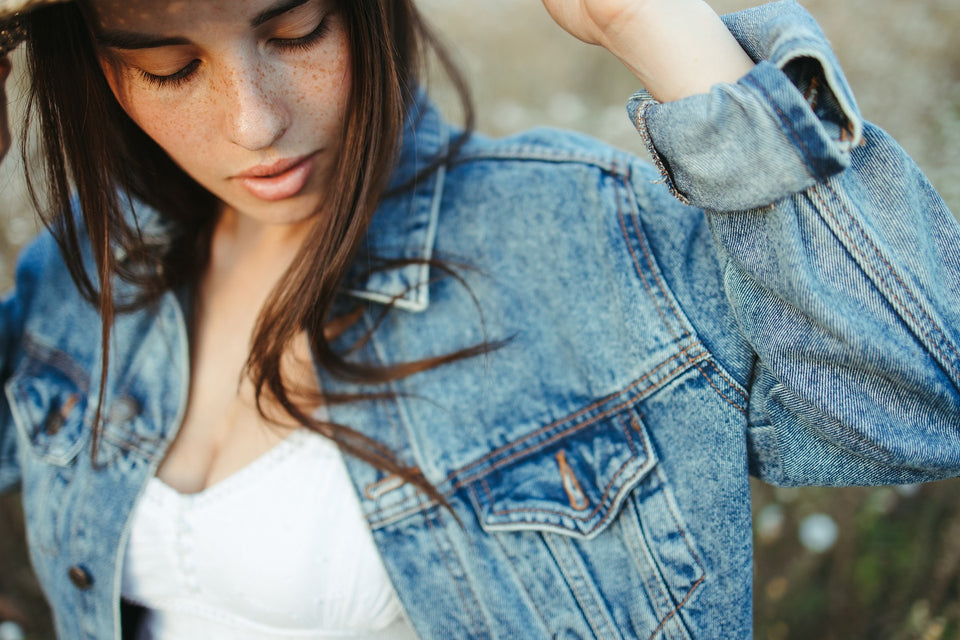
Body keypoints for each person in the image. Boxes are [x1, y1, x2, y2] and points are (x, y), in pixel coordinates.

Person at [0, 0, 958, 638]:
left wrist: (653, 23)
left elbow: (920, 406)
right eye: (169, 68)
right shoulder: (88, 263)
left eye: (296, 29)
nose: (254, 120)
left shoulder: (583, 238)